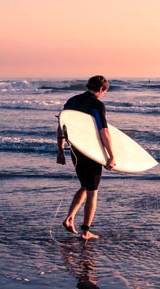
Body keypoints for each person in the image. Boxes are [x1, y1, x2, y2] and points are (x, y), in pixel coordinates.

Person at [57, 75, 115, 240]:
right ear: (102, 89)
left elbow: (61, 126)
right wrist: (111, 156)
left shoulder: (72, 100)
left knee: (84, 185)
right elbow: (104, 131)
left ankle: (69, 218)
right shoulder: (97, 104)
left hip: (75, 149)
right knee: (92, 191)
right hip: (91, 152)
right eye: (105, 92)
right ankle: (85, 231)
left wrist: (60, 151)